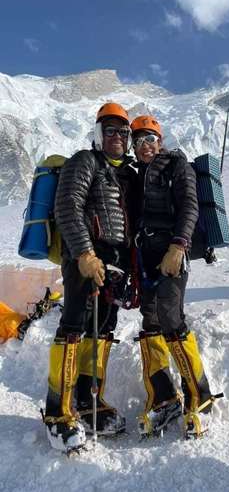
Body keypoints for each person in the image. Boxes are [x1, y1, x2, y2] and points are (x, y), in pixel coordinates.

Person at [44, 102, 137, 452]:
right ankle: (57, 413)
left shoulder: (125, 173)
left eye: (122, 132)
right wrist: (84, 254)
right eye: (109, 130)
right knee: (73, 327)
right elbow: (66, 205)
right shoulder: (84, 161)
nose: (117, 137)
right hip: (85, 258)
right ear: (98, 135)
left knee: (103, 330)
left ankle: (88, 403)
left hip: (115, 264)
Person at [131, 115, 212, 439]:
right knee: (150, 321)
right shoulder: (137, 174)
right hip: (145, 256)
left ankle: (198, 395)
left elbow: (190, 206)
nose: (144, 146)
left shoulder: (176, 164)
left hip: (171, 252)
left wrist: (178, 247)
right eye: (138, 141)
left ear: (160, 140)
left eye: (150, 138)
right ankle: (162, 396)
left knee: (170, 315)